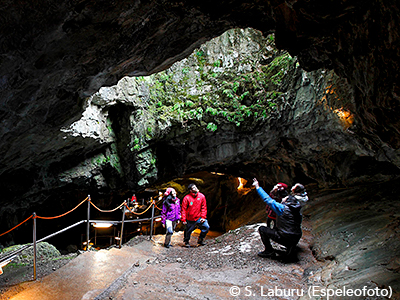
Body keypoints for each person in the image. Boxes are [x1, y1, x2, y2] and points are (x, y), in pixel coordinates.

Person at [253, 178, 303, 259]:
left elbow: (268, 200)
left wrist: (257, 187)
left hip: (285, 237)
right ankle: (290, 247)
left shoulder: (283, 209)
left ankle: (269, 251)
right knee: (281, 227)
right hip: (296, 238)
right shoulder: (297, 209)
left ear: (287, 202)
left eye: (284, 199)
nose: (283, 199)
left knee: (262, 229)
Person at [181, 183, 209, 248]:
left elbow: (203, 207)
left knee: (206, 227)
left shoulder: (201, 196)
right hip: (190, 218)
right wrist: (183, 219)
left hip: (199, 217)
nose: (196, 188)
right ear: (190, 190)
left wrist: (203, 217)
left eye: (195, 187)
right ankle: (186, 241)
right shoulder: (186, 198)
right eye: (193, 188)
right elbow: (183, 209)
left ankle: (201, 239)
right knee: (188, 231)